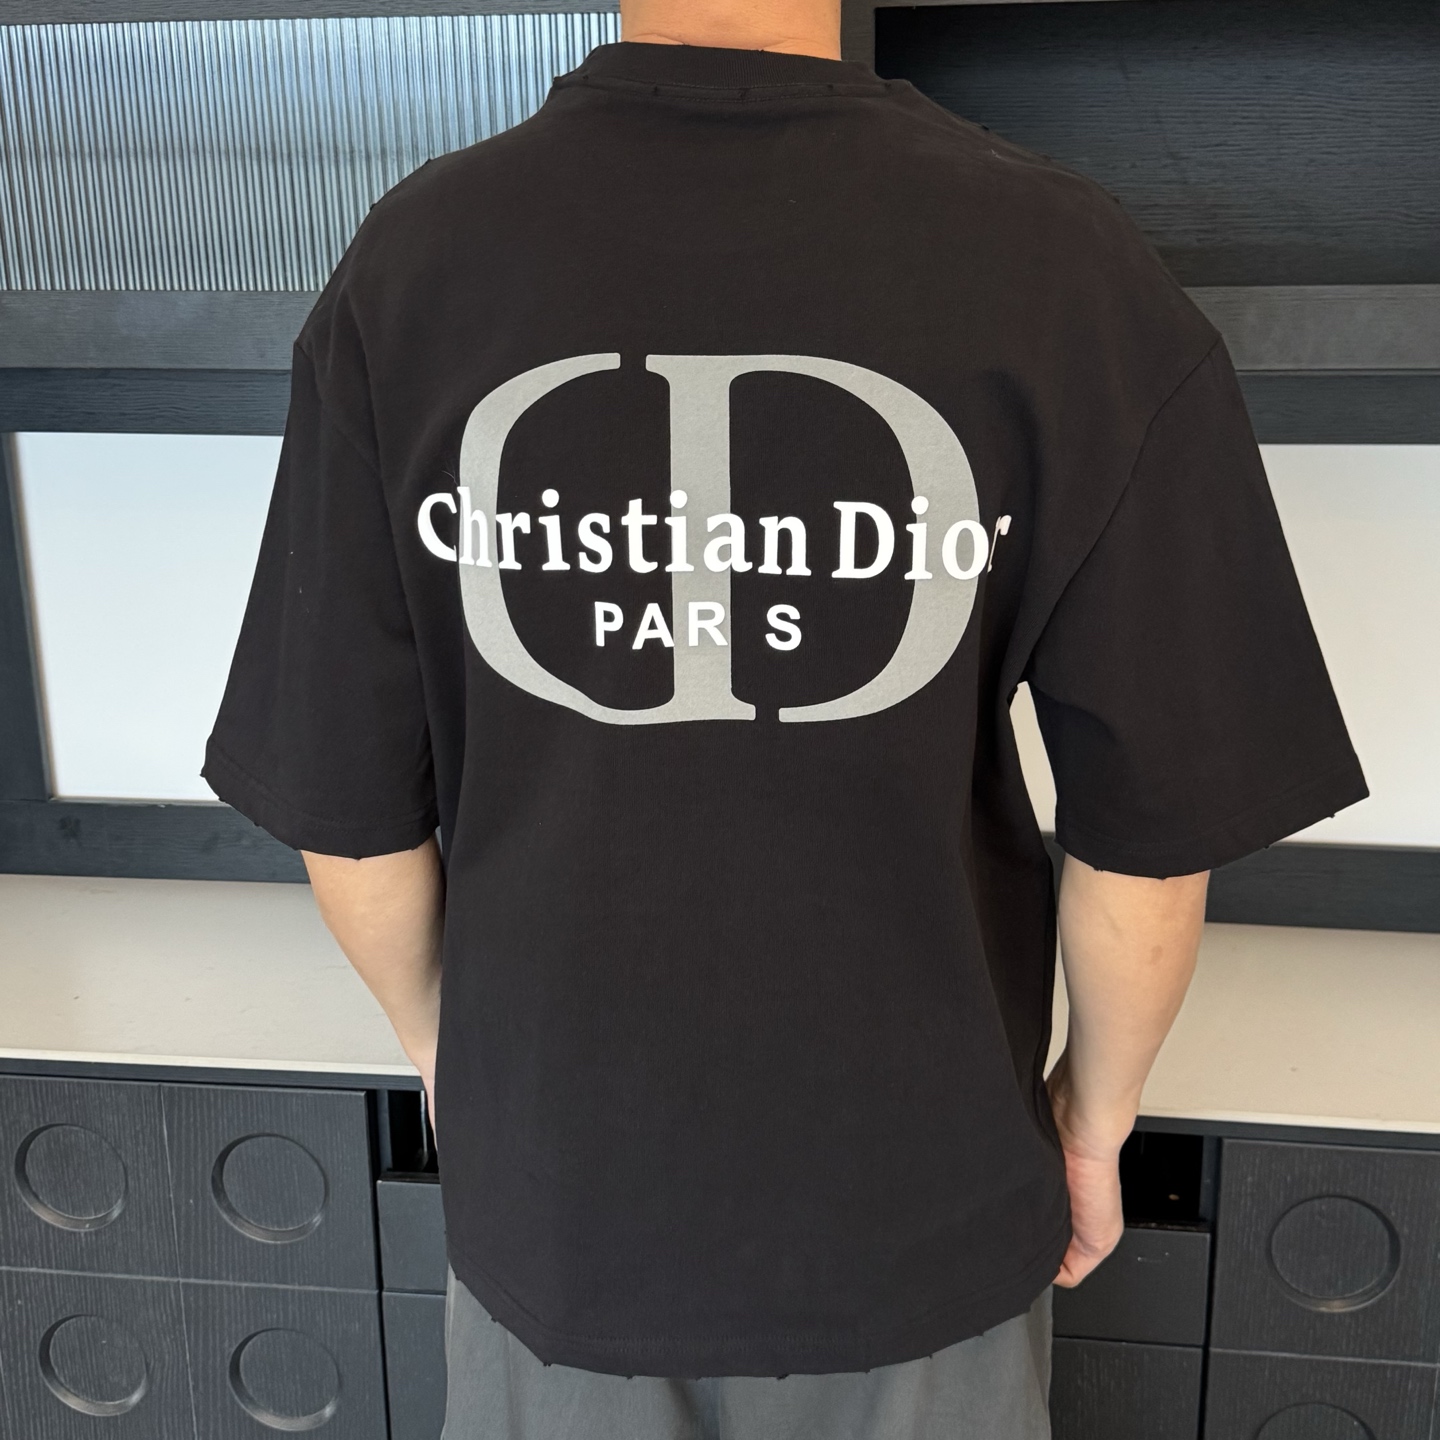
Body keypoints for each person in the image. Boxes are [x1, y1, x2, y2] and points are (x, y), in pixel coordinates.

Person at [205, 0, 1366, 1434]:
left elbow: (351, 818)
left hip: (561, 1203)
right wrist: (1093, 1117)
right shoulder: (1064, 265)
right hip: (927, 1206)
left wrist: (458, 1060)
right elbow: (1149, 842)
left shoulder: (415, 265)